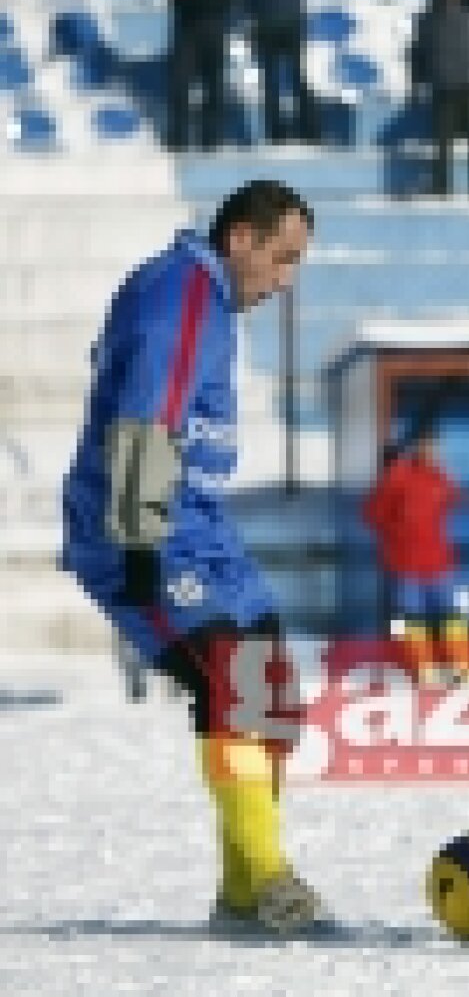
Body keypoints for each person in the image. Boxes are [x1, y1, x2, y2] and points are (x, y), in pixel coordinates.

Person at [60, 181, 329, 934]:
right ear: (240, 238)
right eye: (282, 259)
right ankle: (270, 880)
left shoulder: (203, 300)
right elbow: (147, 417)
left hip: (203, 531)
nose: (286, 281)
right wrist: (141, 537)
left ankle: (242, 895)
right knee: (234, 683)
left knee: (272, 690)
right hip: (142, 529)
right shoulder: (181, 292)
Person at [362, 425, 469, 686]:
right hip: (405, 565)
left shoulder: (443, 479)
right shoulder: (397, 476)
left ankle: (461, 667)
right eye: (425, 445)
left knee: (453, 615)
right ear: (415, 448)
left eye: (435, 446)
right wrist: (397, 533)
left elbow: (450, 503)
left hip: (440, 563)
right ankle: (421, 668)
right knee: (410, 618)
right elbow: (372, 515)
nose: (431, 451)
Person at [410, 0, 469, 201]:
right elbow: (418, 52)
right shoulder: (429, 17)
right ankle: (441, 187)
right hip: (443, 85)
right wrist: (416, 84)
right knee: (442, 143)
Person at [166, 0, 240, 151]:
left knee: (214, 85)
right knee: (181, 84)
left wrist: (220, 2)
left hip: (214, 21)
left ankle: (211, 140)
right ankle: (179, 139)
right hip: (188, 24)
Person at [247, 0, 320, 145]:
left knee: (271, 81)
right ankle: (310, 131)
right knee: (298, 78)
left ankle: (276, 133)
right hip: (291, 17)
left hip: (267, 18)